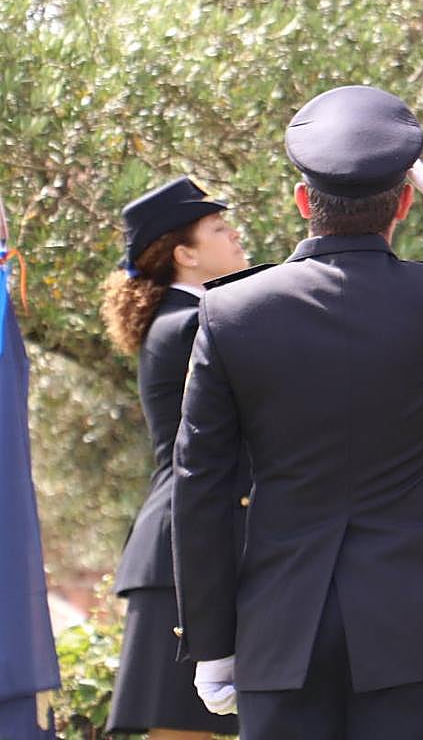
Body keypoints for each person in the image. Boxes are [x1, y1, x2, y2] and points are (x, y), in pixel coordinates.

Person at [171, 84, 423, 740]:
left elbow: (201, 483)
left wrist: (212, 640)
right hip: (419, 623)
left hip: (282, 622)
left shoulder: (233, 311)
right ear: (409, 204)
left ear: (304, 201)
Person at [99, 176, 248, 739]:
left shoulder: (194, 317)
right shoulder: (189, 324)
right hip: (180, 558)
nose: (234, 235)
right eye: (217, 228)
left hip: (194, 549)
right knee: (179, 733)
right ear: (185, 254)